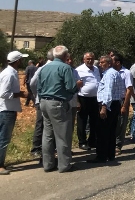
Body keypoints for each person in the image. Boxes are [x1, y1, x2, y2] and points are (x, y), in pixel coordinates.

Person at [38, 45, 81, 173]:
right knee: (62, 135)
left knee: (47, 134)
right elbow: (70, 87)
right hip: (58, 103)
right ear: (65, 56)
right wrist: (77, 85)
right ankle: (64, 165)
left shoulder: (44, 68)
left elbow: (38, 87)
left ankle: (48, 164)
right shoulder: (65, 67)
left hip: (44, 102)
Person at [91, 55, 126, 163]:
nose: (100, 64)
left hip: (108, 105)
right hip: (115, 104)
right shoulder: (114, 73)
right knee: (111, 131)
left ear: (109, 63)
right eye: (100, 63)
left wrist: (104, 107)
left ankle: (101, 156)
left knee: (102, 131)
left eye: (102, 63)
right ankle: (110, 155)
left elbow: (108, 91)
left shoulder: (110, 74)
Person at [0, 51, 29, 174]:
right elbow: (4, 93)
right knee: (4, 138)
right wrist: (21, 94)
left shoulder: (10, 72)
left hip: (8, 109)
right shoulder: (9, 74)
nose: (22, 61)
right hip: (7, 110)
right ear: (17, 61)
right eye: (21, 59)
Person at [29, 49, 53, 160]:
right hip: (43, 101)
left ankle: (46, 150)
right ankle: (36, 148)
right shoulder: (43, 68)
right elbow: (33, 83)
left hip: (46, 100)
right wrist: (37, 96)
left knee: (47, 126)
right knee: (41, 125)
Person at [75, 52, 100, 151]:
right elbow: (76, 86)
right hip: (83, 98)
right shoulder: (79, 70)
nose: (90, 61)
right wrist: (77, 101)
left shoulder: (96, 69)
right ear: (84, 59)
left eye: (92, 59)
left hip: (95, 98)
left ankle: (92, 141)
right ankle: (82, 142)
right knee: (82, 121)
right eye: (88, 59)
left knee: (94, 121)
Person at [113, 53, 133, 154]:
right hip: (111, 101)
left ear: (118, 62)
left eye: (112, 60)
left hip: (122, 100)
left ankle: (117, 145)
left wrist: (125, 105)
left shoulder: (126, 72)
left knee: (121, 124)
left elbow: (129, 89)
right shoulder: (109, 72)